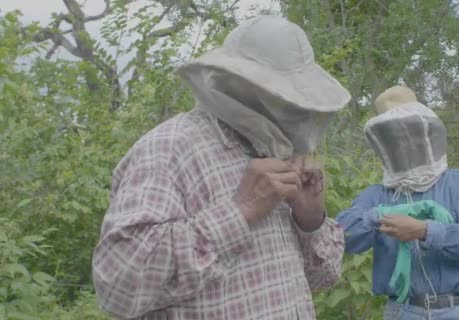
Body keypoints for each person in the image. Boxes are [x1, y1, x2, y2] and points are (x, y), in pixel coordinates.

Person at [92, 15, 351, 320]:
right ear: (238, 83)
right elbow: (118, 284)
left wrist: (310, 219)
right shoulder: (172, 146)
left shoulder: (277, 154)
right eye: (278, 94)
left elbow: (324, 278)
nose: (291, 109)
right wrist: (239, 211)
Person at [336, 86, 459, 320]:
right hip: (402, 311)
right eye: (393, 138)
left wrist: (424, 230)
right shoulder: (377, 195)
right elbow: (341, 235)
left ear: (425, 134)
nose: (403, 143)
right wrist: (381, 214)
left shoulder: (458, 183)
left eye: (410, 133)